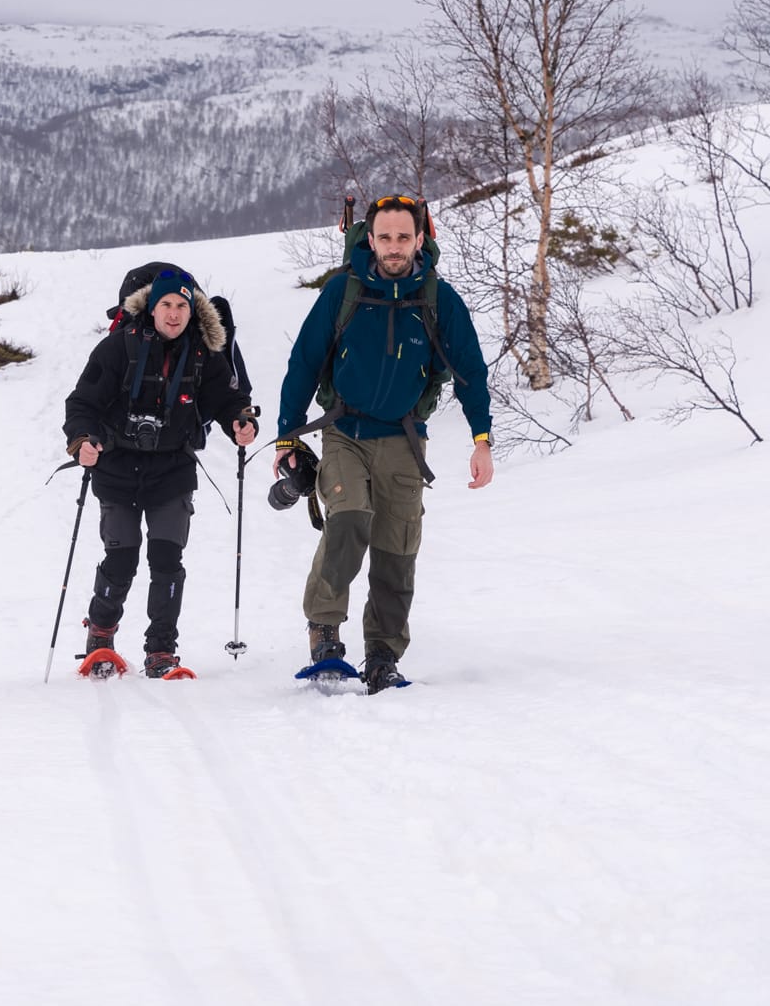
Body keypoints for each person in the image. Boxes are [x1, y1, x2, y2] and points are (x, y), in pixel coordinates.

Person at [274, 195, 494, 692]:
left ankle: (382, 655)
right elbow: (304, 362)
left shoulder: (439, 299)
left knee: (397, 549)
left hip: (403, 439)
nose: (393, 248)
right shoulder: (343, 292)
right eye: (384, 237)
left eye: (403, 237)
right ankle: (325, 630)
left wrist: (482, 439)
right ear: (368, 239)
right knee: (349, 518)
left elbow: (470, 373)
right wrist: (287, 433)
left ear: (420, 239)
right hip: (344, 433)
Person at [64, 268, 258, 678]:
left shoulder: (204, 355)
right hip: (116, 467)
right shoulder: (118, 348)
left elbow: (227, 398)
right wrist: (81, 438)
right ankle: (100, 634)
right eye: (166, 305)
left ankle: (161, 650)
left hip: (172, 469)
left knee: (167, 559)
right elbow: (82, 401)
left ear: (193, 311)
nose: (174, 314)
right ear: (151, 309)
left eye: (182, 306)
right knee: (121, 557)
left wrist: (240, 420)